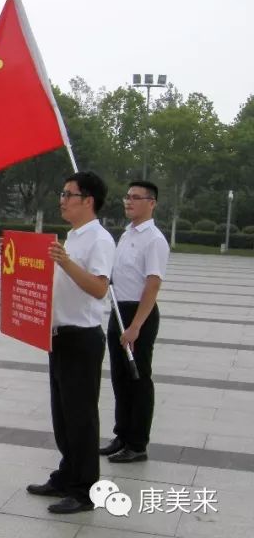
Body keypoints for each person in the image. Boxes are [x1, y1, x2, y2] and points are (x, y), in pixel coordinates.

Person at [27, 171, 116, 514]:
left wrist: (65, 262)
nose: (62, 200)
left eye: (69, 194)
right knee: (63, 416)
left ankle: (85, 490)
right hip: (60, 336)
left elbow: (99, 288)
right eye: (62, 194)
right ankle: (66, 476)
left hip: (82, 338)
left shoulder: (100, 240)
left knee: (81, 417)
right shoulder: (73, 237)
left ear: (88, 200)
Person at [100, 180, 169, 463]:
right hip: (118, 311)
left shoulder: (154, 239)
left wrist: (136, 326)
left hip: (139, 315)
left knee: (138, 379)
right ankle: (122, 435)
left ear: (151, 203)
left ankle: (137, 444)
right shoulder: (126, 234)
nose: (128, 201)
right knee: (120, 377)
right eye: (127, 196)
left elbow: (153, 285)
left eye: (136, 197)